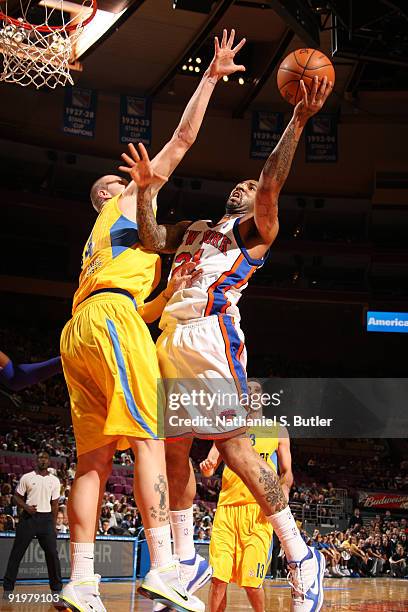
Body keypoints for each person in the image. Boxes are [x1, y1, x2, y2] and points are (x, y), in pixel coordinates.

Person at [122, 74, 332, 612]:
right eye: (237, 185)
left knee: (237, 448)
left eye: (250, 185)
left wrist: (298, 121)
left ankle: (299, 553)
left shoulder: (255, 231)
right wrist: (146, 191)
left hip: (213, 337)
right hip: (170, 337)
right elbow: (151, 238)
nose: (244, 187)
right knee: (172, 454)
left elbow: (269, 184)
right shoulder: (195, 229)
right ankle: (185, 558)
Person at [59, 29, 246, 612]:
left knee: (91, 460)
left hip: (82, 330)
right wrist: (212, 76)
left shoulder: (102, 245)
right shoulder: (126, 200)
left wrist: (166, 299)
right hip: (112, 320)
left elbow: (139, 307)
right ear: (110, 193)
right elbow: (184, 138)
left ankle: (82, 580)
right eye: (123, 182)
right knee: (151, 436)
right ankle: (166, 566)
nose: (142, 183)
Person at [199, 380, 293, 612]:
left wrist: (284, 491)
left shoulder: (278, 430)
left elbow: (287, 473)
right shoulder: (227, 428)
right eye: (247, 391)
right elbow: (211, 466)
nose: (252, 394)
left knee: (252, 583)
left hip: (259, 513)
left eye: (256, 391)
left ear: (263, 398)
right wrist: (208, 467)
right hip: (227, 511)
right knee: (218, 579)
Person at [2, 452, 63, 604]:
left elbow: (55, 504)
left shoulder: (54, 481)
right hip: (28, 519)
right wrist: (26, 507)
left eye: (45, 458)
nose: (42, 460)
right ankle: (8, 590)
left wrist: (54, 525)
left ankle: (56, 590)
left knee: (52, 555)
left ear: (49, 461)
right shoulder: (27, 477)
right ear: (36, 461)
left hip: (46, 519)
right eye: (40, 457)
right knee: (17, 553)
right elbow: (16, 497)